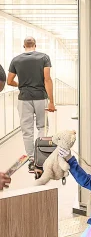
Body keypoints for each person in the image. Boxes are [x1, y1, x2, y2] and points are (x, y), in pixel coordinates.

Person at [7, 36, 56, 172]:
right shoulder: (44, 57)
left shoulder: (16, 60)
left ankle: (31, 159)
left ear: (24, 46)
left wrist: (21, 85)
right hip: (41, 97)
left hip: (24, 99)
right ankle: (41, 156)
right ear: (35, 45)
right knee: (42, 127)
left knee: (27, 130)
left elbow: (9, 81)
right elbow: (47, 79)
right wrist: (51, 102)